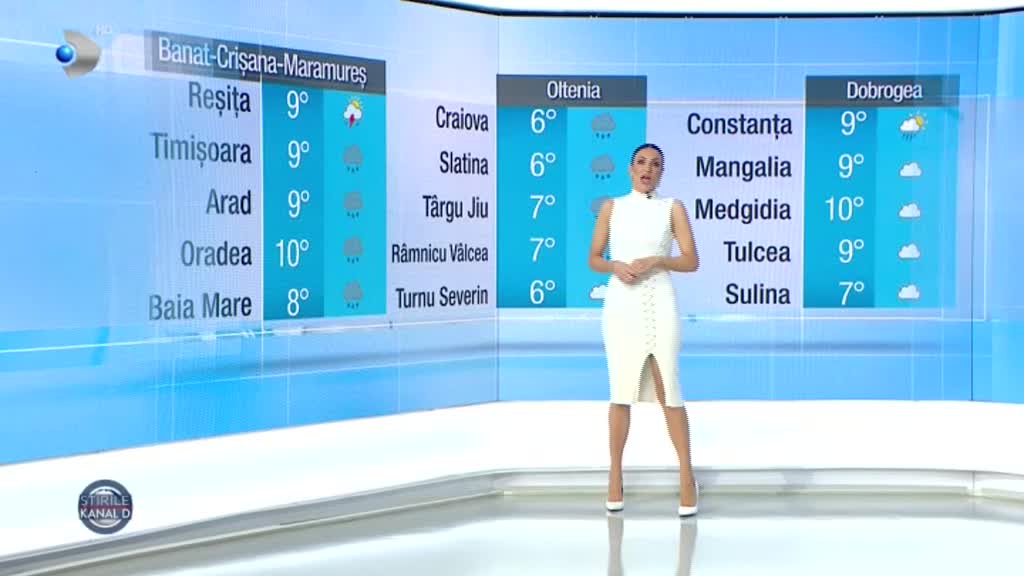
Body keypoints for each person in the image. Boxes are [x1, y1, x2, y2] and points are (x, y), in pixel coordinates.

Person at [588, 143, 700, 516]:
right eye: (641, 163)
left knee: (669, 386)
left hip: (660, 300)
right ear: (630, 169)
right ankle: (614, 476)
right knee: (620, 390)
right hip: (622, 303)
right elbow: (594, 258)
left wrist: (657, 260)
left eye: (655, 164)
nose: (647, 169)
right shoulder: (612, 207)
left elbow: (691, 260)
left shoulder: (673, 208)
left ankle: (687, 476)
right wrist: (615, 266)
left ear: (661, 172)